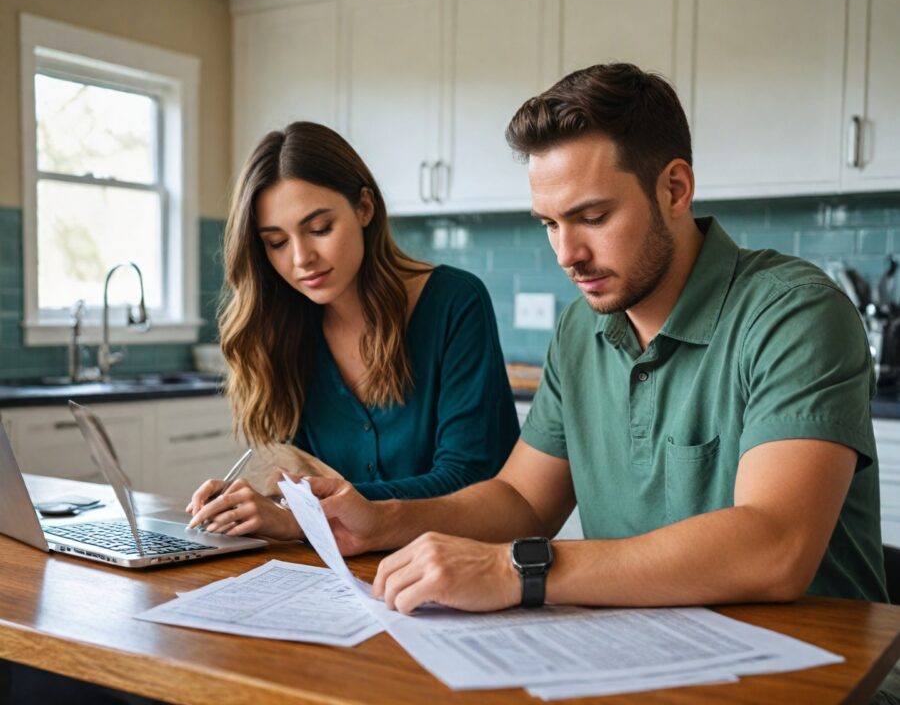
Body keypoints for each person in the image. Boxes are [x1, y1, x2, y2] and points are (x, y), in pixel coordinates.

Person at [296, 63, 887, 615]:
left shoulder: (793, 312)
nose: (566, 255)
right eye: (550, 223)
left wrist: (516, 568)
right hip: (647, 657)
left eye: (594, 217)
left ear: (675, 189)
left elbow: (775, 547)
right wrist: (381, 518)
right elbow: (522, 502)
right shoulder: (582, 328)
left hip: (819, 675)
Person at [186, 122, 519, 539]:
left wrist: (302, 514)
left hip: (461, 569)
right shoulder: (286, 332)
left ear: (364, 207)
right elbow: (311, 482)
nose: (301, 258)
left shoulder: (455, 301)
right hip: (348, 577)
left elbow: (470, 478)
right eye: (276, 242)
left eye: (320, 228)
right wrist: (261, 506)